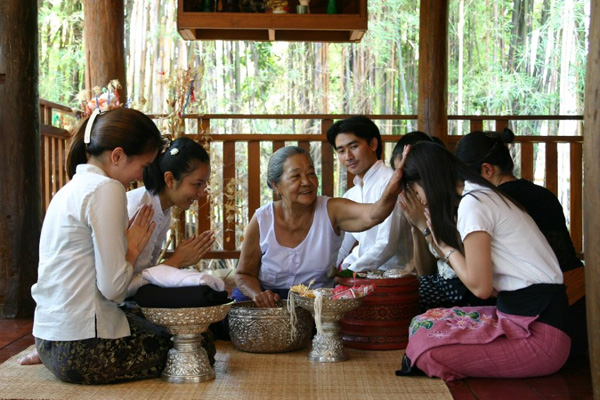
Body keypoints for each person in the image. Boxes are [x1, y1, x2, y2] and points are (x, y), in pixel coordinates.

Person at [397, 141, 570, 381]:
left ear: (428, 179)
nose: (421, 201)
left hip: (538, 336)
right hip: (520, 318)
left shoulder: (474, 203)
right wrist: (427, 231)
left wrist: (445, 247)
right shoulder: (479, 194)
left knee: (428, 352)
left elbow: (480, 287)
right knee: (424, 323)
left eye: (416, 192)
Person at [29, 108, 170, 384]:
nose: (141, 177)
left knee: (141, 318)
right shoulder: (107, 189)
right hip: (83, 350)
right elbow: (114, 290)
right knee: (194, 342)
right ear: (117, 156)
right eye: (143, 166)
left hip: (48, 341)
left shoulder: (69, 190)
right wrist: (131, 249)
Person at [454, 128, 586, 356]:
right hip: (580, 292)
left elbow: (482, 285)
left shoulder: (491, 202)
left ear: (486, 170)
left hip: (543, 311)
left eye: (465, 180)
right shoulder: (541, 193)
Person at [233, 145, 405, 308]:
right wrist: (259, 295)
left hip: (316, 304)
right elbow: (244, 274)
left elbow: (374, 214)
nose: (307, 182)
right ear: (276, 185)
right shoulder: (262, 219)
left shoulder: (332, 210)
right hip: (270, 303)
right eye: (296, 176)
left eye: (311, 174)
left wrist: (391, 186)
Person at [392, 132, 495, 311]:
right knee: (399, 294)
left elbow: (466, 267)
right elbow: (425, 272)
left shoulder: (465, 205)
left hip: (466, 288)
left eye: (409, 180)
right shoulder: (424, 206)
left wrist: (425, 228)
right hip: (443, 282)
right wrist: (417, 227)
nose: (406, 189)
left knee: (407, 303)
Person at [126, 136, 216, 297]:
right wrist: (176, 261)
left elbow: (147, 274)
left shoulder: (162, 209)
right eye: (197, 184)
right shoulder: (139, 210)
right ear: (170, 179)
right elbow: (123, 288)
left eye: (204, 184)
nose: (202, 193)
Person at [326, 116, 413, 272]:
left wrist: (349, 273)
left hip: (394, 278)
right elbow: (342, 245)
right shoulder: (351, 195)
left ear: (373, 144)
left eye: (353, 146)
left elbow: (386, 245)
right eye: (341, 151)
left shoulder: (391, 182)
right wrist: (328, 271)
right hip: (361, 275)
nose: (348, 156)